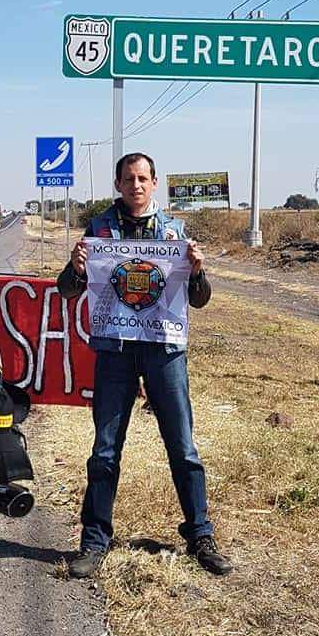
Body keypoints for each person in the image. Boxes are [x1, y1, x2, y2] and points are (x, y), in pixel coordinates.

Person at [57, 152, 233, 578]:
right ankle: (94, 541)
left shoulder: (175, 232)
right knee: (104, 450)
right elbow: (67, 290)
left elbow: (198, 298)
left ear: (154, 183)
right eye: (128, 178)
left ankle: (200, 536)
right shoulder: (99, 230)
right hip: (115, 351)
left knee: (183, 447)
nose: (135, 185)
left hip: (163, 351)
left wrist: (196, 271)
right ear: (118, 184)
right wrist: (76, 267)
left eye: (143, 178)